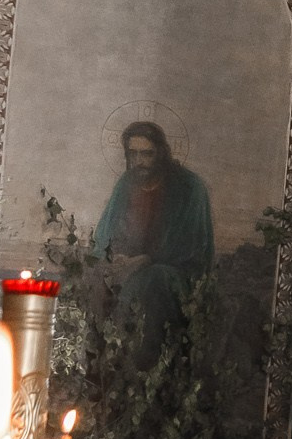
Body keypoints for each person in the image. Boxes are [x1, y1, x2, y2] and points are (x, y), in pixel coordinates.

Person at [91, 119, 214, 361]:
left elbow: (191, 247)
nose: (139, 161)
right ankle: (100, 361)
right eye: (133, 154)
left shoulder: (189, 187)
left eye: (146, 154)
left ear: (161, 153)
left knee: (152, 280)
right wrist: (111, 258)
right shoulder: (126, 184)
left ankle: (143, 362)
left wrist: (143, 260)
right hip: (129, 267)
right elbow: (106, 233)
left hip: (176, 273)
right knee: (93, 277)